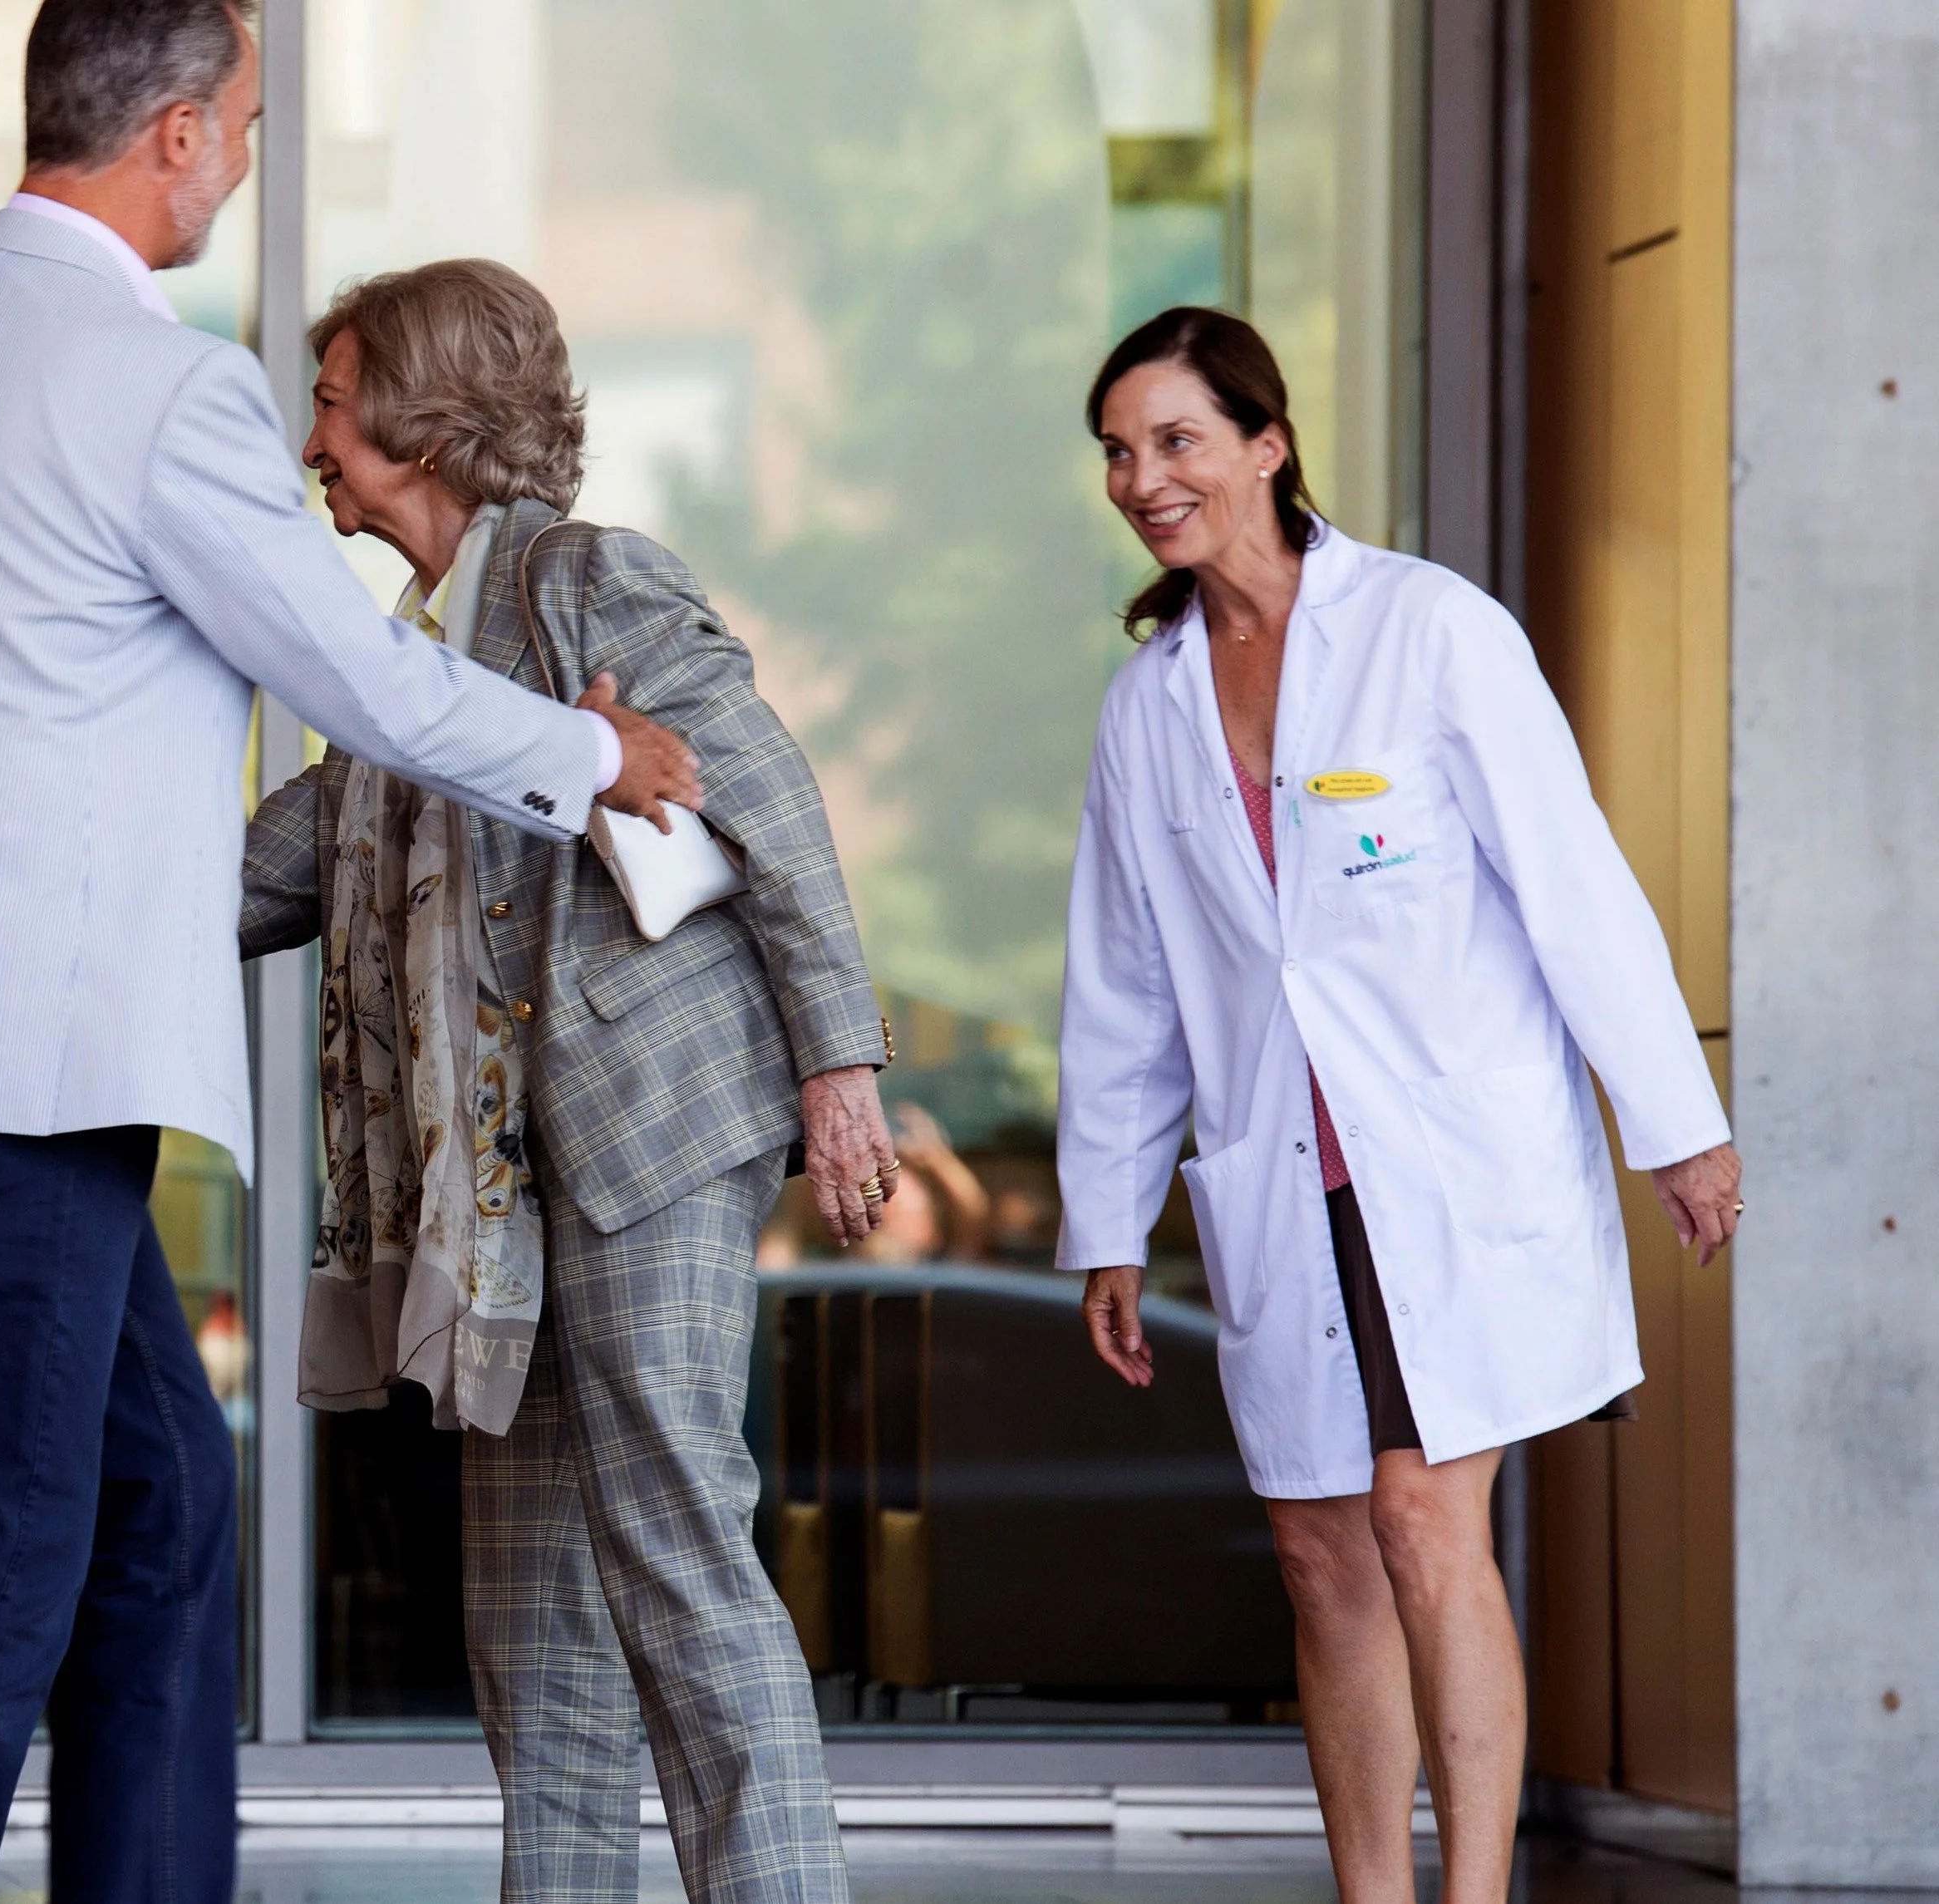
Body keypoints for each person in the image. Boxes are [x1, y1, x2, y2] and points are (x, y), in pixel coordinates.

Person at [0, 4, 700, 1897]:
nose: (240, 153)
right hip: (34, 1066)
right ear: (164, 138)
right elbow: (356, 668)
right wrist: (588, 753)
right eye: (241, 120)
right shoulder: (162, 389)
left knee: (161, 1498)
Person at [1057, 307, 1741, 1904]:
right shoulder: (1145, 707)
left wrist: (1677, 1126)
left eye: (1175, 440)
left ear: (1266, 445)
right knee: (1320, 1558)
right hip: (1279, 1174)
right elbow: (1125, 986)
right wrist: (1106, 1218)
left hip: (1453, 1158)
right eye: (1115, 449)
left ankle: (1475, 1893)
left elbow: (1570, 884)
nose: (1140, 476)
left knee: (1423, 1519)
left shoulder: (1427, 632)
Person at [239, 258, 889, 1904]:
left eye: (330, 397)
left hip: (644, 1134)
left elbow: (774, 809)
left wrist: (841, 1065)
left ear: (419, 416)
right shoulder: (404, 659)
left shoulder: (582, 580)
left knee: (675, 1551)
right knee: (531, 1619)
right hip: (501, 1195)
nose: (310, 434)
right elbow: (279, 865)